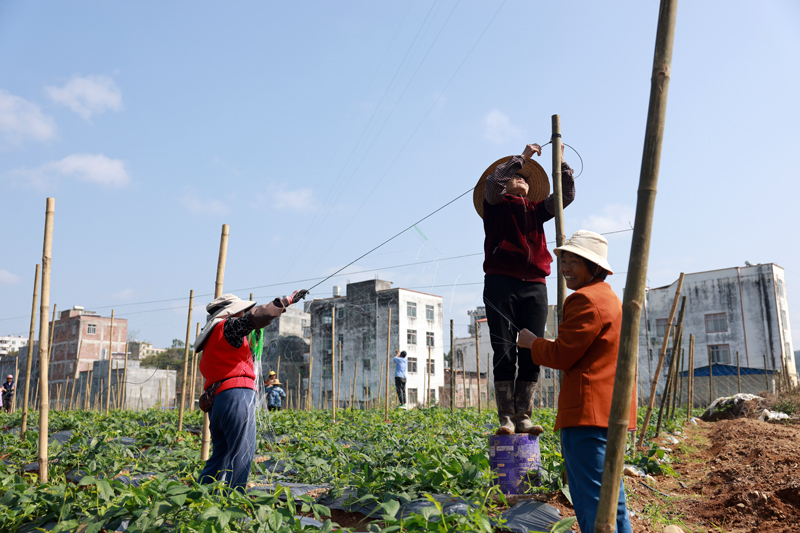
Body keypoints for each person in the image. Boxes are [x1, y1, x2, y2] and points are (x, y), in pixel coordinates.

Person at [517, 230, 636, 533]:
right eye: (564, 261)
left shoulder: (584, 299)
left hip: (587, 416)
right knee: (612, 499)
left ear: (594, 267)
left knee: (590, 500)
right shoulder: (610, 299)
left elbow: (563, 355)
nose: (566, 268)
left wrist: (533, 343)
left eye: (574, 262)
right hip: (609, 413)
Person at [481, 142, 575, 434]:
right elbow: (493, 182)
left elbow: (566, 196)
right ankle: (506, 417)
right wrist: (523, 157)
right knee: (504, 350)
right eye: (515, 177)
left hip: (535, 284)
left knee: (531, 349)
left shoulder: (537, 210)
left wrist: (561, 162)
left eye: (524, 178)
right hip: (501, 281)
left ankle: (524, 415)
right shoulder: (495, 205)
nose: (521, 179)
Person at [196, 290, 306, 491]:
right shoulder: (228, 326)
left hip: (217, 401)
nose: (243, 314)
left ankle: (199, 495)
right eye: (240, 311)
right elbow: (258, 317)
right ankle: (234, 499)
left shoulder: (211, 337)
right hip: (237, 395)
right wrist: (287, 301)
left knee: (220, 454)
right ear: (230, 313)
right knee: (242, 453)